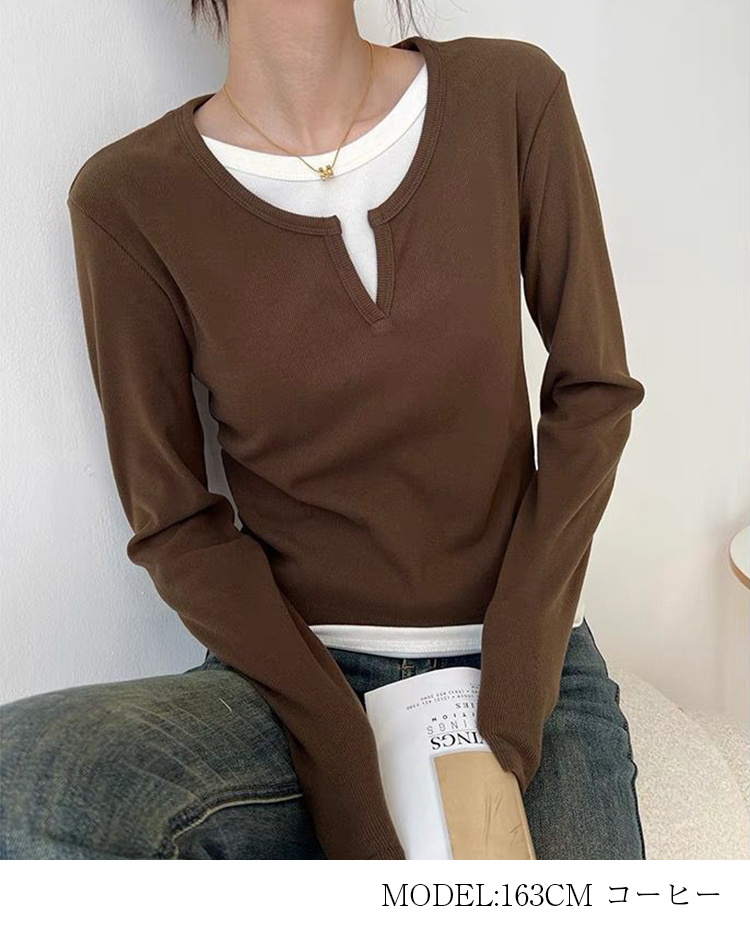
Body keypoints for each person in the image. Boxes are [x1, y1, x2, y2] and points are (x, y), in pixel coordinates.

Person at [0, 1, 646, 860]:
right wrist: (336, 749)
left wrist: (523, 661)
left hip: (524, 660)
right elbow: (175, 523)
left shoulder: (509, 95)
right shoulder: (129, 199)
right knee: (27, 778)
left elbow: (594, 392)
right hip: (291, 686)